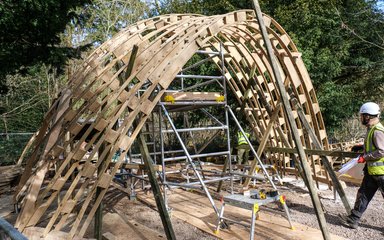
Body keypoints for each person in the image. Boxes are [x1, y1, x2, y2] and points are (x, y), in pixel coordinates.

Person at [340, 102, 384, 229]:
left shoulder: (377, 131)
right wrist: (361, 147)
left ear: (368, 116)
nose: (361, 118)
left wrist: (364, 157)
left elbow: (381, 151)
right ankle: (353, 220)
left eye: (362, 116)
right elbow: (374, 146)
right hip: (372, 171)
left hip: (381, 172)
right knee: (363, 195)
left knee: (364, 195)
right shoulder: (371, 129)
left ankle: (353, 219)